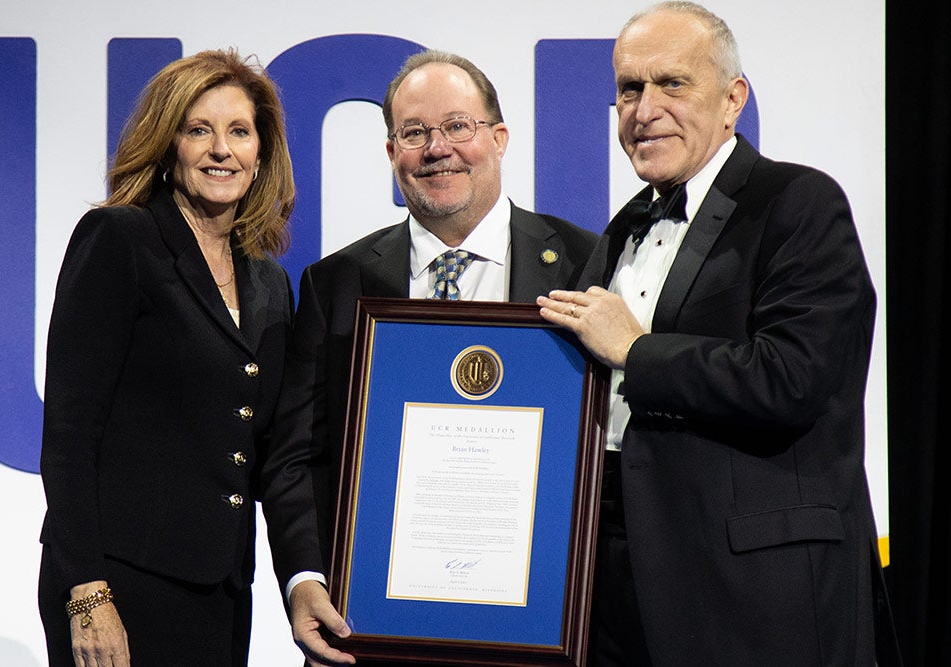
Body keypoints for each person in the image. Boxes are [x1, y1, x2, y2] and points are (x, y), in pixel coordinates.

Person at [538, 3, 899, 665]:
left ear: (733, 99)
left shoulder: (798, 203)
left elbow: (792, 377)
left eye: (671, 83)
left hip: (753, 592)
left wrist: (637, 350)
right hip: (614, 580)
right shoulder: (622, 228)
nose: (644, 108)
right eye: (629, 88)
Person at [260, 49, 598, 628]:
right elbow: (297, 456)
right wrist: (305, 580)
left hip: (541, 619)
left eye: (458, 126)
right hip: (377, 616)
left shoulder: (587, 264)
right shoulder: (334, 283)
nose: (437, 148)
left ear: (499, 137)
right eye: (414, 133)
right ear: (392, 153)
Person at [37, 49, 350, 666]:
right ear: (167, 144)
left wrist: (310, 570)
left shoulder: (266, 280)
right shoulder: (120, 239)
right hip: (118, 583)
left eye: (239, 131)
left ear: (262, 153)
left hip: (222, 587)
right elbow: (70, 433)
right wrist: (86, 594)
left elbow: (270, 452)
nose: (220, 150)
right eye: (198, 130)